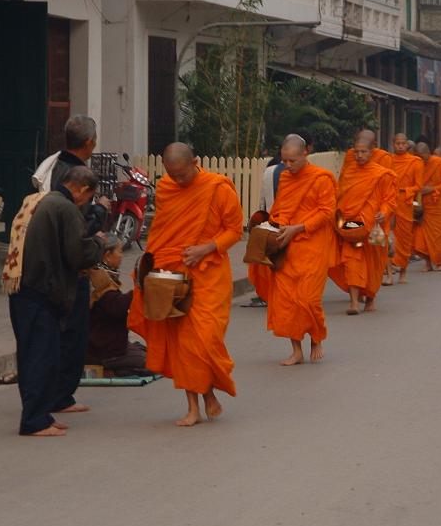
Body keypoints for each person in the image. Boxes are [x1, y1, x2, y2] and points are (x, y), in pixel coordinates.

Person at [128, 143, 243, 426]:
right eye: (172, 175)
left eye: (182, 174)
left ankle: (209, 394)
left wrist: (206, 248)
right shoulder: (167, 188)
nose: (177, 181)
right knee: (181, 343)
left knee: (204, 340)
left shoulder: (218, 189)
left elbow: (235, 231)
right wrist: (148, 268)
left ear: (195, 162)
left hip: (209, 275)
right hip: (172, 275)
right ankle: (194, 405)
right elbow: (161, 232)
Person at [4, 167, 104, 436]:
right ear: (82, 189)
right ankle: (34, 421)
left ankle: (41, 415)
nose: (85, 204)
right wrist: (98, 244)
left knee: (32, 354)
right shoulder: (65, 208)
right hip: (40, 291)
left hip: (22, 288)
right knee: (40, 356)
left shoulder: (36, 200)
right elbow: (79, 254)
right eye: (87, 197)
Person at [34, 116, 111, 416]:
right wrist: (101, 212)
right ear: (90, 143)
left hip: (48, 261)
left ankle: (55, 394)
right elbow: (79, 228)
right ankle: (61, 396)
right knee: (72, 333)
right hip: (69, 264)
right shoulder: (75, 178)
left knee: (59, 333)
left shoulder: (52, 166)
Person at [250, 135, 337, 365]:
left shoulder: (321, 178)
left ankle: (316, 337)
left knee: (307, 299)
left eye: (292, 161)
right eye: (284, 161)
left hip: (312, 244)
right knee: (286, 300)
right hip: (287, 246)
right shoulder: (287, 178)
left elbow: (327, 212)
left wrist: (298, 228)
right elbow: (283, 209)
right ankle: (296, 350)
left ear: (305, 153)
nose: (287, 166)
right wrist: (275, 227)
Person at [329, 135, 396, 314]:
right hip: (352, 224)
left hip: (373, 225)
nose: (359, 155)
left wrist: (384, 212)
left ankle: (370, 299)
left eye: (363, 152)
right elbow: (340, 195)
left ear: (371, 152)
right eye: (356, 152)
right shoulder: (349, 172)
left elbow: (389, 199)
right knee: (351, 259)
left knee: (374, 264)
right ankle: (354, 303)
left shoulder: (382, 174)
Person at [86, 234, 147, 376]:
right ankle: (110, 371)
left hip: (113, 344)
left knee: (151, 354)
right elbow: (116, 306)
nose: (122, 256)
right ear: (107, 255)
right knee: (151, 364)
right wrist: (140, 290)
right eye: (119, 251)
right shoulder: (98, 277)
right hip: (103, 349)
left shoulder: (103, 273)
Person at [389, 133, 423, 284]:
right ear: (393, 144)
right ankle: (389, 273)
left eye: (403, 143)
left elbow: (419, 185)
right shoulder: (388, 161)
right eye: (397, 143)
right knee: (387, 237)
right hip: (389, 201)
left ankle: (403, 272)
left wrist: (406, 190)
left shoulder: (415, 162)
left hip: (405, 203)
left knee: (403, 239)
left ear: (407, 145)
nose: (400, 146)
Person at [413, 143, 441, 272]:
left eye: (422, 156)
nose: (421, 160)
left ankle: (439, 261)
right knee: (421, 236)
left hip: (436, 203)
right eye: (418, 157)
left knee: (437, 234)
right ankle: (427, 261)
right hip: (421, 205)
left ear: (429, 153)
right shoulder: (416, 164)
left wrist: (431, 189)